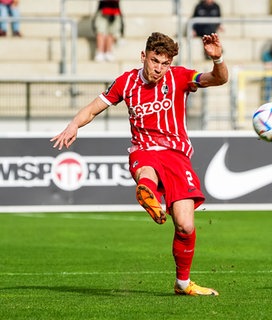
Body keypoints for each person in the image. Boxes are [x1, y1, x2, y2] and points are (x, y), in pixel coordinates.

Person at [51, 32, 229, 296]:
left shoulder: (179, 77)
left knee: (186, 226)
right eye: (155, 60)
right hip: (143, 150)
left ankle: (182, 284)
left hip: (177, 155)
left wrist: (218, 59)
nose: (159, 68)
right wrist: (73, 125)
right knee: (147, 170)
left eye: (165, 63)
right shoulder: (126, 82)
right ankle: (149, 194)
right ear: (143, 56)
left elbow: (219, 79)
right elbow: (92, 108)